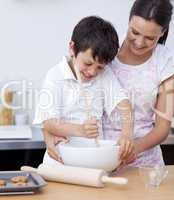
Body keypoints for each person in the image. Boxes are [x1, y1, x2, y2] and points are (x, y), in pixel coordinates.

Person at [33, 16, 134, 165]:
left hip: (93, 160)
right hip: (61, 159)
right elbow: (48, 123)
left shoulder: (105, 75)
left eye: (100, 67)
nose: (92, 72)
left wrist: (127, 133)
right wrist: (81, 130)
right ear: (72, 48)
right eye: (88, 63)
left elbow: (124, 104)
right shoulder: (55, 76)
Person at [103, 0, 174, 167]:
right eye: (134, 32)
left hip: (145, 163)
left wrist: (132, 149)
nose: (140, 42)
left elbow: (162, 128)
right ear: (128, 21)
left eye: (150, 38)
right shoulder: (107, 48)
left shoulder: (166, 62)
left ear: (162, 32)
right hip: (103, 157)